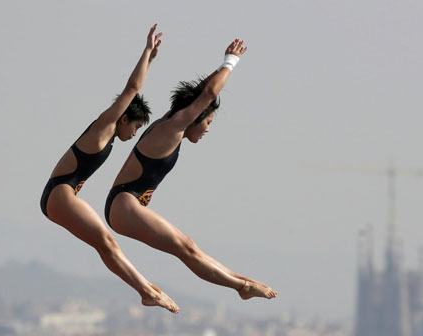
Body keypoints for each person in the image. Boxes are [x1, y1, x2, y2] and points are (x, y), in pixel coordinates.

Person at [105, 39, 277, 303]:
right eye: (207, 121)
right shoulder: (172, 128)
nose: (207, 128)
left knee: (190, 248)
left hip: (127, 204)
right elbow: (207, 94)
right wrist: (230, 62)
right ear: (194, 117)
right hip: (124, 204)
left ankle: (243, 283)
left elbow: (200, 93)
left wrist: (220, 66)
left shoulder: (173, 121)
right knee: (185, 247)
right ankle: (241, 286)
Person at [40, 24, 179, 314]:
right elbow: (132, 89)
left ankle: (146, 290)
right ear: (124, 118)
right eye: (136, 127)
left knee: (104, 244)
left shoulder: (108, 136)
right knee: (106, 240)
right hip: (60, 192)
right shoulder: (104, 127)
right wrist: (147, 54)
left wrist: (151, 61)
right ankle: (146, 290)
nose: (134, 133)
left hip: (62, 195)